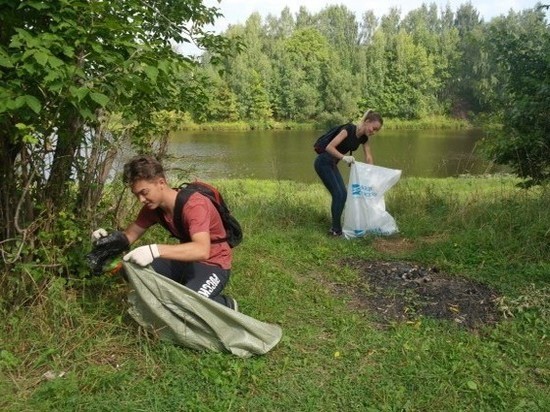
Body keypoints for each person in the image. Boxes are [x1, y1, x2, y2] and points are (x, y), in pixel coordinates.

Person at [91, 155, 238, 310]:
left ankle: (225, 304)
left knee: (186, 306)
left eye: (144, 192)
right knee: (131, 269)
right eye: (136, 195)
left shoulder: (195, 205)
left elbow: (202, 251)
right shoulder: (152, 208)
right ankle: (174, 295)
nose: (141, 199)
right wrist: (106, 240)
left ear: (161, 183)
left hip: (213, 264)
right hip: (186, 261)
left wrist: (154, 250)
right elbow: (128, 237)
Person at [314, 110, 383, 236]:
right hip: (323, 162)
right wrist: (344, 158)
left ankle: (336, 228)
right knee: (339, 194)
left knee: (342, 194)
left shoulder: (363, 138)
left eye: (376, 131)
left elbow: (368, 157)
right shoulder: (348, 130)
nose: (373, 132)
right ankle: (335, 230)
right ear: (367, 122)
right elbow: (329, 147)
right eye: (374, 128)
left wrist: (371, 173)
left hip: (332, 164)